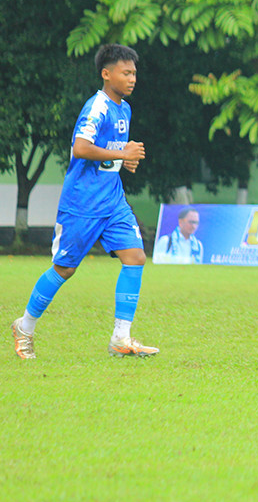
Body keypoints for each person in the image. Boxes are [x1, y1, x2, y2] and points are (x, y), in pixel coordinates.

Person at [11, 44, 159, 360]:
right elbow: (81, 148)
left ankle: (121, 338)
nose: (133, 78)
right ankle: (24, 326)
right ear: (107, 74)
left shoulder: (125, 109)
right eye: (126, 72)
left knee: (135, 257)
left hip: (113, 201)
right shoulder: (97, 107)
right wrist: (122, 154)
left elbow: (108, 152)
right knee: (64, 269)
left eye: (134, 73)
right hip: (82, 204)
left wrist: (124, 160)